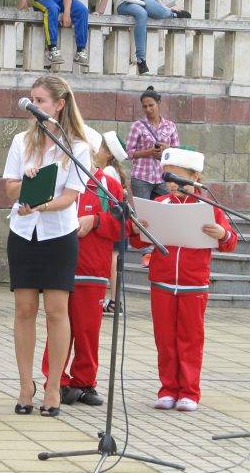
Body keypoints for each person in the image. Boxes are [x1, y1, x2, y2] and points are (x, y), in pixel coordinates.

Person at [2, 75, 90, 417]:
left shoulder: (76, 146)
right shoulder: (21, 142)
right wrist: (28, 185)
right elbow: (9, 188)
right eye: (33, 100)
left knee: (56, 311)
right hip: (24, 233)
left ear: (58, 105)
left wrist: (41, 204)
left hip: (58, 235)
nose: (34, 106)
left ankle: (54, 385)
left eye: (40, 101)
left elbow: (70, 198)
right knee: (24, 309)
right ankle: (26, 385)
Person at [130, 148, 237, 412]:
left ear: (195, 177)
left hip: (194, 284)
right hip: (162, 282)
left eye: (178, 179)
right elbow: (137, 240)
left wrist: (222, 233)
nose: (172, 184)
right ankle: (168, 389)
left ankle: (189, 391)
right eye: (168, 178)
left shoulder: (208, 208)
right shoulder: (161, 204)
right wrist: (136, 228)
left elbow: (230, 242)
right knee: (165, 338)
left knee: (190, 339)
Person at [40, 127, 124, 407]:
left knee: (88, 331)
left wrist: (97, 222)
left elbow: (122, 226)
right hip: (61, 267)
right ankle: (56, 381)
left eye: (88, 152)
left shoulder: (107, 185)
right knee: (58, 327)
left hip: (92, 270)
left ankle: (84, 383)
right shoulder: (58, 179)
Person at [126, 86, 179, 200]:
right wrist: (149, 152)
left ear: (158, 103)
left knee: (167, 209)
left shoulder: (170, 126)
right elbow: (128, 153)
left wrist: (167, 149)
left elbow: (177, 151)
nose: (148, 109)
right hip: (141, 177)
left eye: (151, 105)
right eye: (145, 106)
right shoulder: (137, 126)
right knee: (144, 215)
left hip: (163, 177)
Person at [96, 131, 129, 314]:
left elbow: (104, 199)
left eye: (101, 148)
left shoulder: (107, 172)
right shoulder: (114, 171)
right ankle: (115, 301)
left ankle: (116, 302)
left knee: (113, 259)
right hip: (117, 220)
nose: (97, 151)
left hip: (113, 219)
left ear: (108, 154)